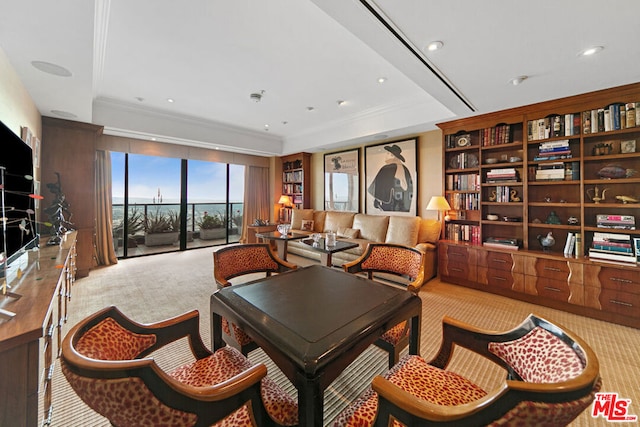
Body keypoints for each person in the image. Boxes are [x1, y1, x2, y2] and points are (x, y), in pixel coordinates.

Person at [367, 144, 413, 212]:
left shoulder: (387, 169)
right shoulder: (404, 169)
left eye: (388, 153)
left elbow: (375, 187)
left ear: (392, 156)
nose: (385, 156)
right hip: (402, 205)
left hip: (389, 204)